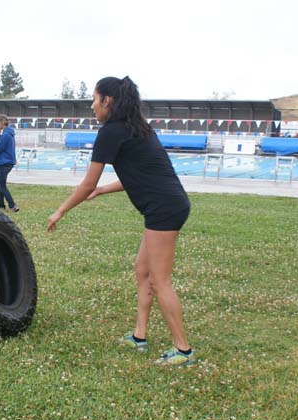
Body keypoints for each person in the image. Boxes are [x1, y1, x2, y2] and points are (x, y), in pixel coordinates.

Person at [47, 76, 194, 366]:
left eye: (94, 99)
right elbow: (136, 176)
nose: (92, 106)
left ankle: (183, 350)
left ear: (107, 101)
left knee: (160, 280)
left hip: (163, 209)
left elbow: (87, 183)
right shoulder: (136, 128)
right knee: (142, 270)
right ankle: (140, 335)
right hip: (167, 204)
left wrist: (61, 210)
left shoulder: (111, 132)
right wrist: (103, 190)